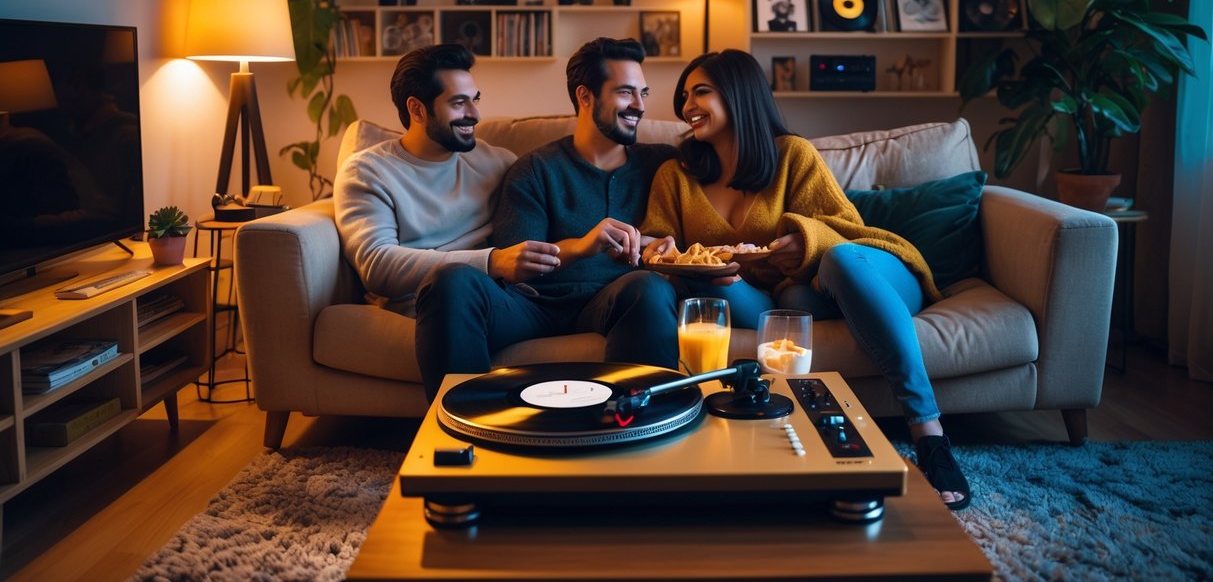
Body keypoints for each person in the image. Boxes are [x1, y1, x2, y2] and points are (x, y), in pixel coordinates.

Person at [639, 49, 971, 510]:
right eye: (683, 95)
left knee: (836, 260)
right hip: (783, 295)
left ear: (738, 96)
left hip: (868, 274)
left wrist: (806, 238)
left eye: (701, 92)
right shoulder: (675, 175)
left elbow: (847, 226)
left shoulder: (793, 155)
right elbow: (658, 239)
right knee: (760, 294)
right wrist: (671, 253)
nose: (686, 105)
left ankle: (928, 433)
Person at [414, 37, 680, 400]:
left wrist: (661, 247)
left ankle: (638, 429)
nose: (639, 106)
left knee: (650, 289)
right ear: (585, 97)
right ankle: (466, 430)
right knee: (450, 279)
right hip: (532, 305)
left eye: (643, 93)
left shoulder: (661, 164)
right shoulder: (536, 169)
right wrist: (583, 246)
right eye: (625, 92)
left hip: (614, 300)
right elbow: (514, 262)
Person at [334, 42, 560, 323]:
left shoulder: (497, 162)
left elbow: (554, 208)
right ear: (417, 110)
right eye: (458, 102)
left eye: (474, 99)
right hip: (430, 305)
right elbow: (377, 264)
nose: (475, 114)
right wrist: (492, 261)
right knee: (452, 284)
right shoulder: (368, 171)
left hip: (497, 302)